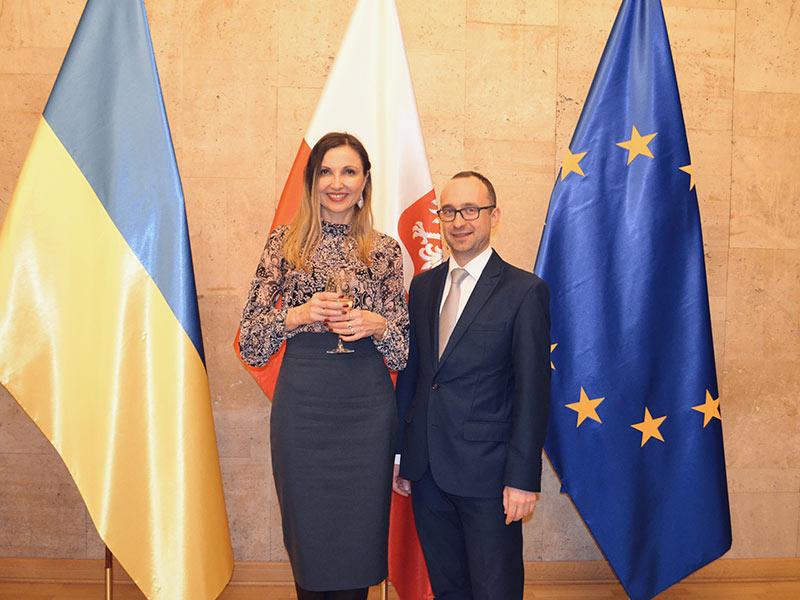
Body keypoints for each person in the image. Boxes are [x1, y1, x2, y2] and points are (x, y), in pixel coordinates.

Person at [238, 132, 408, 600]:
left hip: (367, 414)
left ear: (365, 181)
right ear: (312, 180)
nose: (337, 183)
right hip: (304, 412)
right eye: (326, 172)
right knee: (310, 542)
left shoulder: (386, 251)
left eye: (349, 171)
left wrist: (377, 325)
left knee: (358, 542)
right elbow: (251, 344)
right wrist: (297, 316)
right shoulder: (283, 244)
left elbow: (402, 353)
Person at [393, 171, 550, 600]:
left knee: (495, 590)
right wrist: (403, 454)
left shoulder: (524, 291)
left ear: (493, 216)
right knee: (449, 590)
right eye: (448, 212)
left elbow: (533, 393)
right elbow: (415, 375)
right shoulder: (423, 287)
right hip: (427, 473)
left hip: (489, 478)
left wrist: (523, 479)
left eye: (470, 210)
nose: (458, 221)